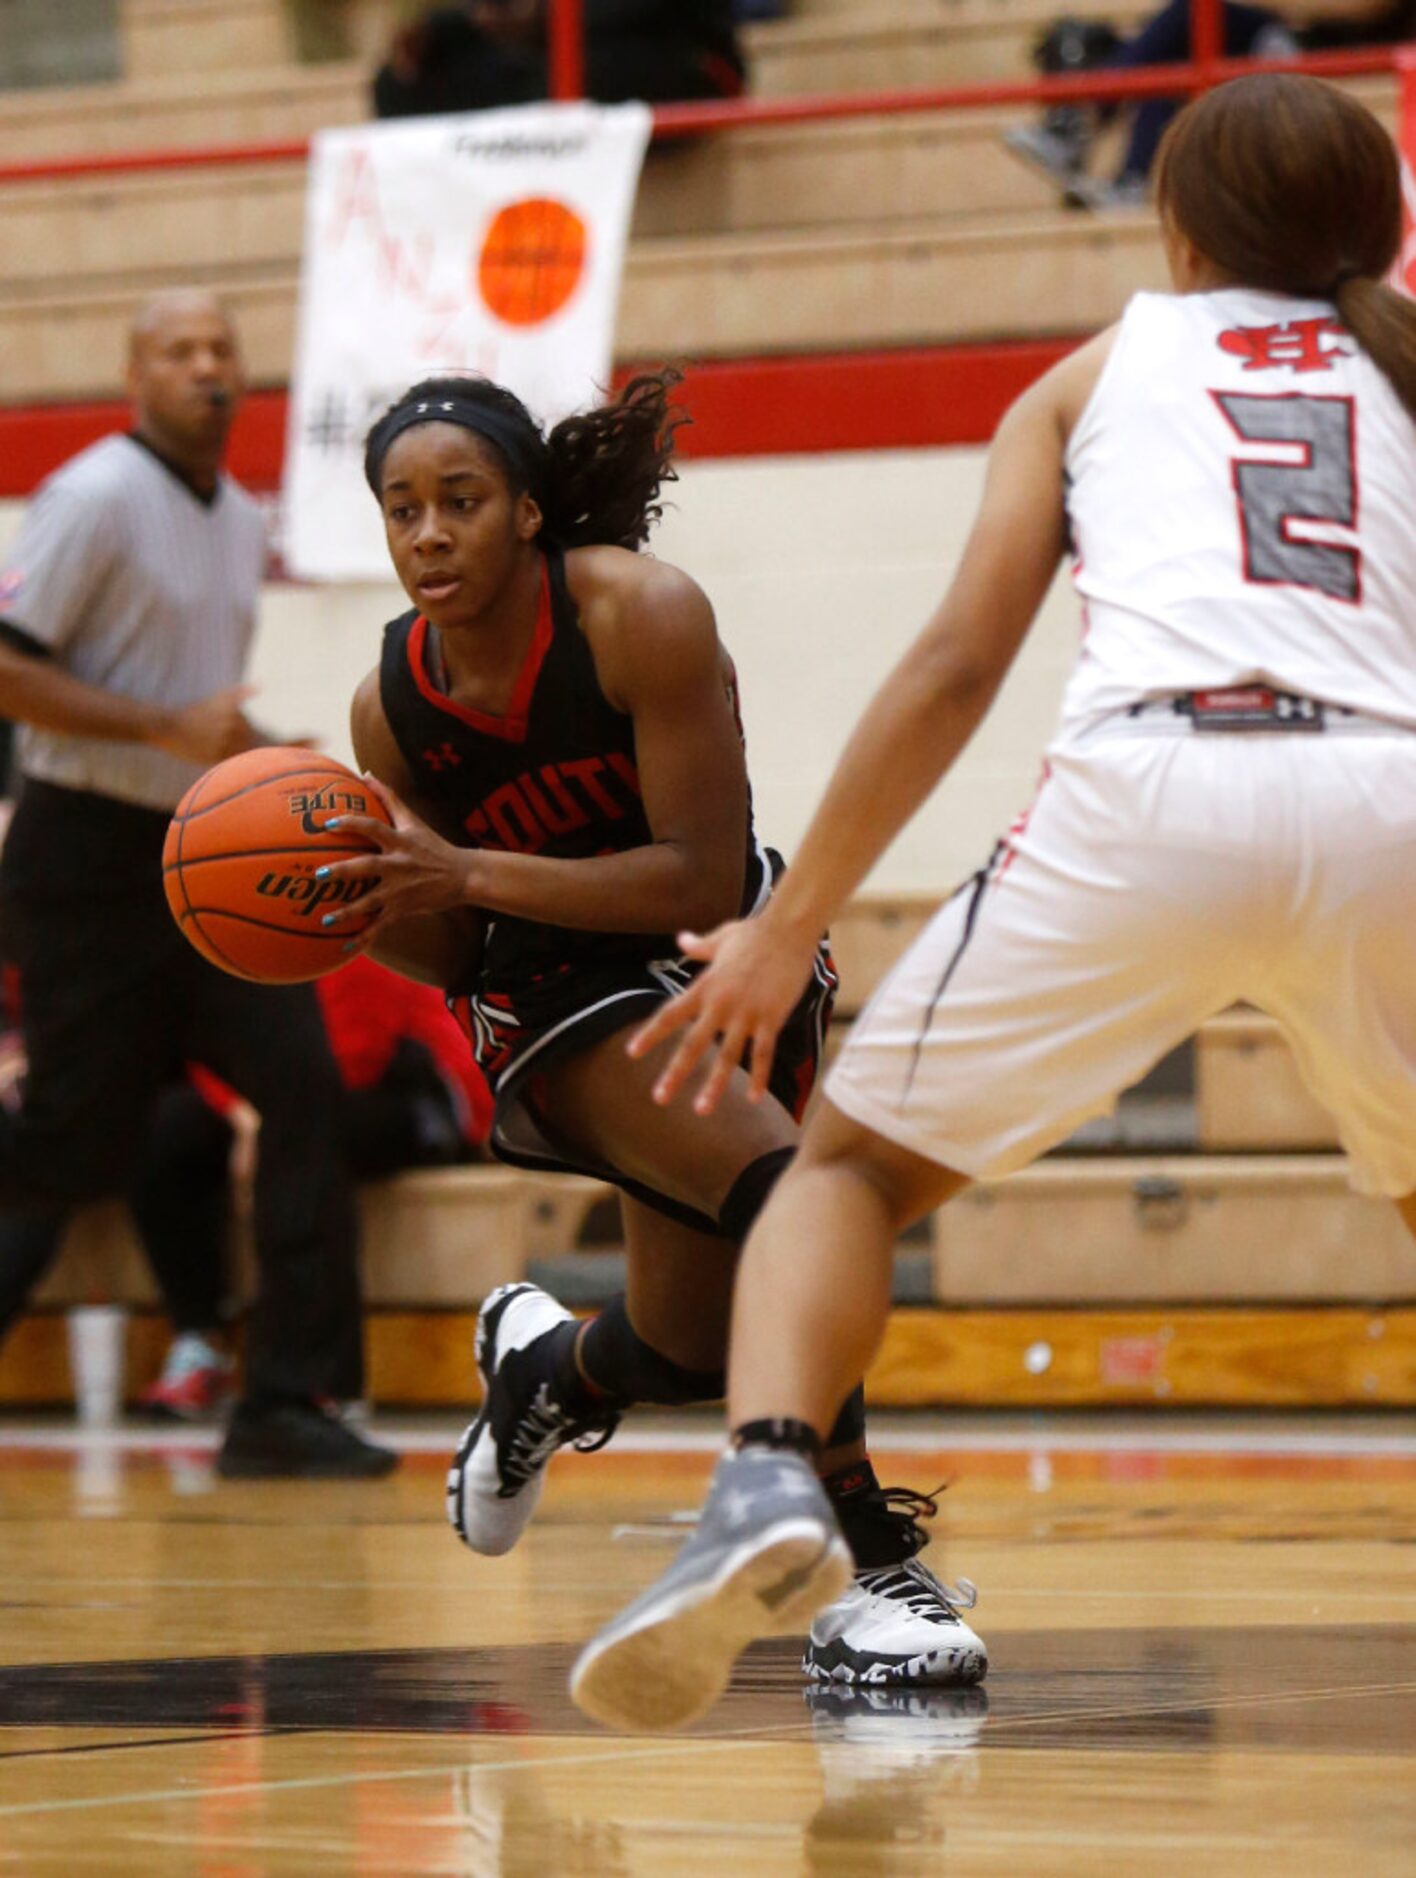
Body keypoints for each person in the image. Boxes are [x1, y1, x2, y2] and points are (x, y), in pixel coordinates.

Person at [568, 72, 1416, 1730]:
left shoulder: (1101, 367)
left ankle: (763, 1487)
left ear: (1176, 224)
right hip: (1391, 794)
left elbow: (958, 663)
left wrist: (786, 919)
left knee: (852, 1170)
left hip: (1155, 787)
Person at [315, 369, 988, 1689]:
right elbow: (449, 946)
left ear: (525, 512)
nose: (430, 535)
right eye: (402, 511)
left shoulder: (639, 615)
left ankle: (546, 1372)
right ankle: (871, 1570)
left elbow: (690, 874)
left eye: (461, 501)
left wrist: (465, 872)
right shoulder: (386, 706)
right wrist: (347, 907)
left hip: (721, 948)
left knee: (685, 1343)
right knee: (793, 1200)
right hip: (553, 1001)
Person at [0, 289, 396, 1478]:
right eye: (179, 351)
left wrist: (289, 768)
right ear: (135, 373)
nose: (207, 367)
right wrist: (166, 727)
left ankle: (285, 1399)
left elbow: (193, 713)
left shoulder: (236, 513)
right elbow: (10, 672)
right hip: (82, 855)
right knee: (76, 1142)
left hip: (200, 859)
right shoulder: (92, 496)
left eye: (222, 348)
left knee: (304, 1089)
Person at [1004, 0, 1415, 210]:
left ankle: (1082, 113)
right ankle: (1128, 173)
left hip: (1354, 51)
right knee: (1183, 42)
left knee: (1197, 12)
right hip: (1290, 41)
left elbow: (1362, 6)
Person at [372, 1, 745, 119]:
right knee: (399, 84)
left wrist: (541, 18)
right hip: (542, 61)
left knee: (565, 81)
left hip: (674, 55)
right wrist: (440, 32)